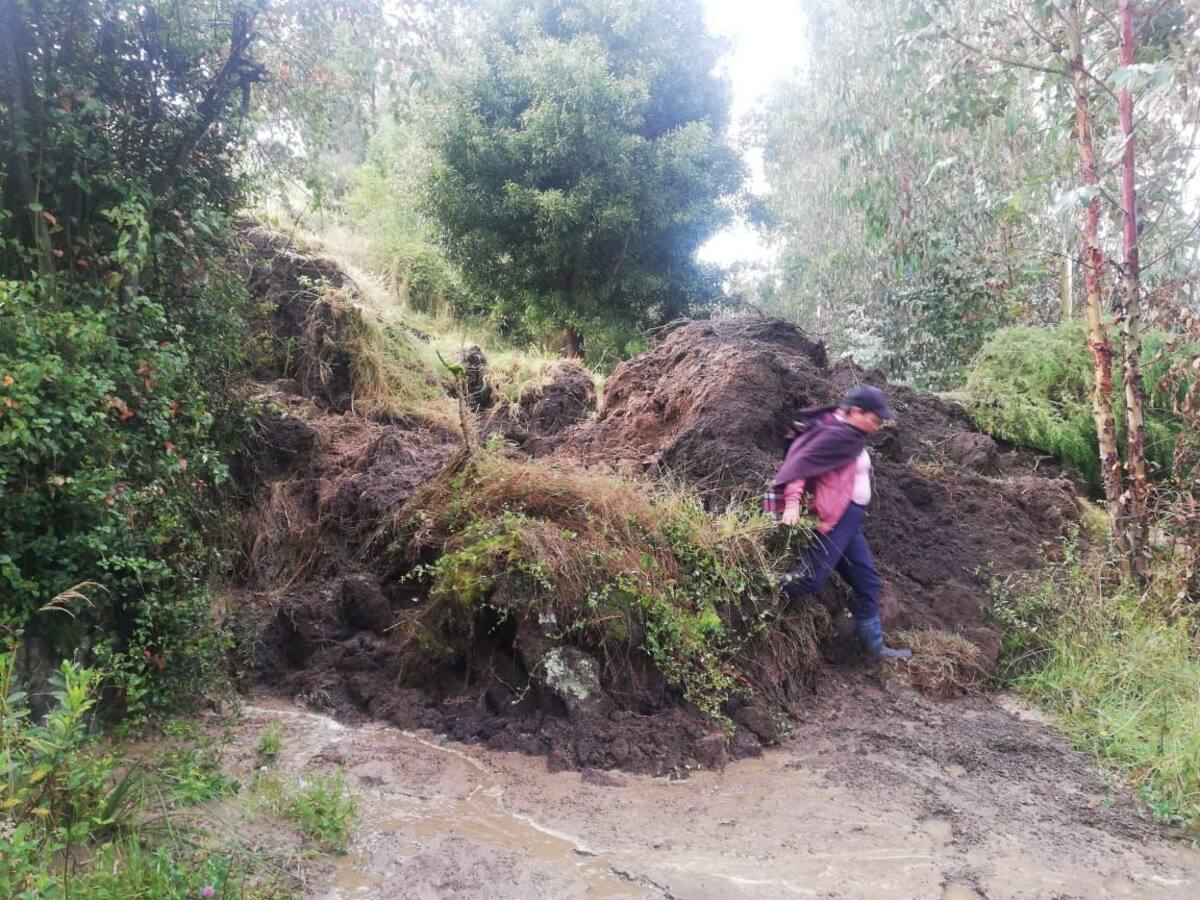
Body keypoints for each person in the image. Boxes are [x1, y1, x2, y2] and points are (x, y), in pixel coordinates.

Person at [767, 385, 912, 662]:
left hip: (850, 521)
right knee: (809, 579)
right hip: (834, 519)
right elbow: (800, 467)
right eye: (874, 419)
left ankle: (874, 650)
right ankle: (755, 586)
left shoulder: (850, 435)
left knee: (867, 582)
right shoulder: (832, 434)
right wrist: (793, 502)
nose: (877, 427)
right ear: (856, 411)